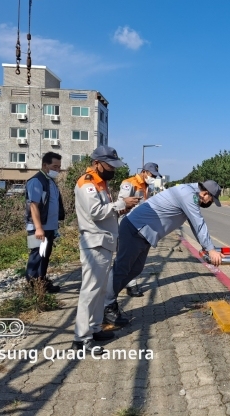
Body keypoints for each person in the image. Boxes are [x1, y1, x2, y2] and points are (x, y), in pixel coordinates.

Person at [103, 180, 224, 325]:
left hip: (143, 233)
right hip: (135, 229)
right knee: (121, 269)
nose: (209, 203)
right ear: (205, 194)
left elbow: (194, 224)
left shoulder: (187, 193)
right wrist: (210, 249)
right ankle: (105, 306)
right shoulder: (188, 195)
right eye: (211, 199)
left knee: (135, 269)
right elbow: (198, 223)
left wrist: (206, 246)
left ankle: (108, 300)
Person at [72, 146, 140, 350]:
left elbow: (106, 213)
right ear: (96, 163)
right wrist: (121, 203)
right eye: (110, 165)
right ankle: (82, 338)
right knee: (90, 291)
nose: (113, 170)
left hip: (103, 242)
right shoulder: (88, 183)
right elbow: (95, 212)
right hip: (94, 243)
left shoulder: (102, 184)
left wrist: (121, 209)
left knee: (100, 290)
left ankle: (94, 328)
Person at [116, 162, 162, 297]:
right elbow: (122, 204)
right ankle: (125, 284)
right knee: (126, 256)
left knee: (134, 257)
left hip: (139, 226)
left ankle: (130, 283)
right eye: (151, 175)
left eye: (154, 176)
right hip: (127, 224)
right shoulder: (129, 183)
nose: (153, 177)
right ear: (144, 171)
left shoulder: (146, 186)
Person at [25, 151, 65, 293]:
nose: (57, 170)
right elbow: (33, 205)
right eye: (54, 166)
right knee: (36, 256)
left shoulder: (50, 182)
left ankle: (41, 283)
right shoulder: (36, 181)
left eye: (59, 167)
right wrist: (38, 228)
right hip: (38, 228)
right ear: (44, 165)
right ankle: (31, 288)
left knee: (44, 256)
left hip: (49, 227)